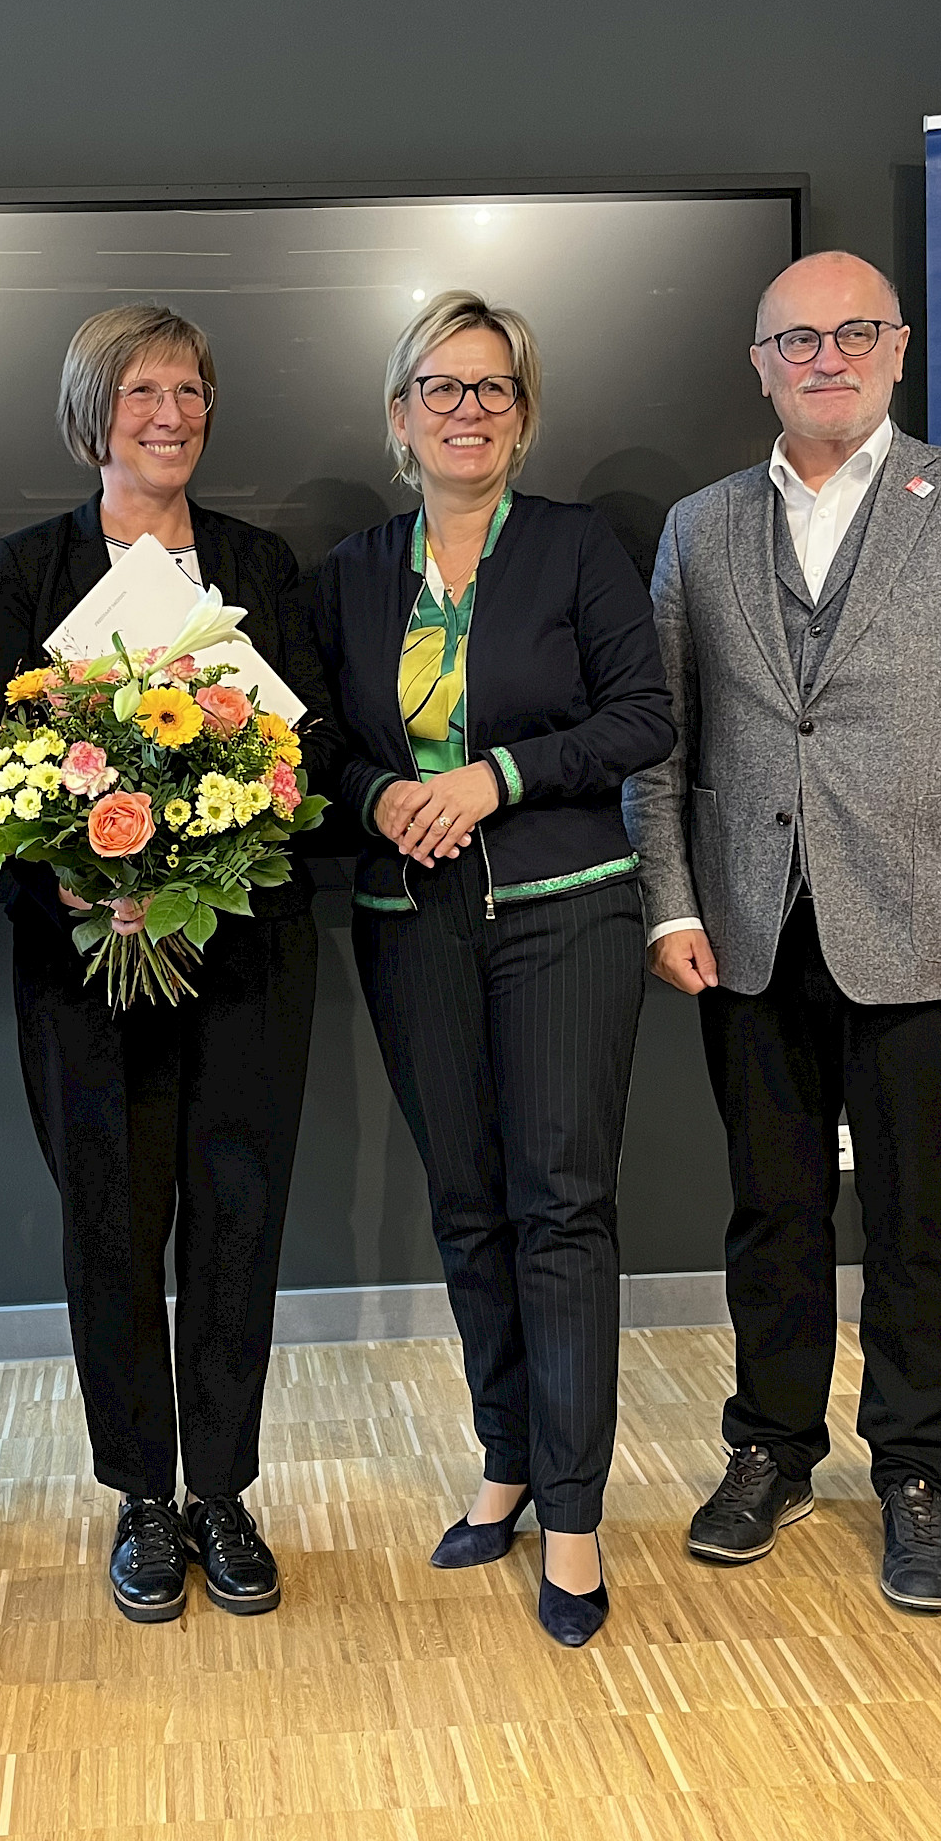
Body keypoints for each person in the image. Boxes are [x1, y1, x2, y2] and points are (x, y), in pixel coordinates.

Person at [624, 250, 941, 1612]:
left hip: (927, 933)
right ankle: (772, 1448)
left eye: (855, 333)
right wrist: (670, 898)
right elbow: (662, 742)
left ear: (899, 347)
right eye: (797, 340)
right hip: (748, 932)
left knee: (919, 1223)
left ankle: (917, 1476)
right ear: (759, 362)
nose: (828, 357)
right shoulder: (699, 526)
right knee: (771, 1213)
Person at [312, 290, 674, 1648]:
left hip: (565, 912)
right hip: (413, 921)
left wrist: (495, 774)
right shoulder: (349, 569)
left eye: (494, 389)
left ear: (524, 417)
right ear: (400, 414)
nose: (468, 410)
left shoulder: (581, 550)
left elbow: (644, 716)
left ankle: (573, 1518)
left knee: (561, 1211)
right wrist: (376, 799)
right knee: (468, 1206)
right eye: (441, 388)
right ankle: (506, 1461)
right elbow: (310, 747)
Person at [0, 304, 341, 1625]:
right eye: (142, 390)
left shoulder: (259, 560)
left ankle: (225, 1491)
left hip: (245, 960)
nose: (171, 412)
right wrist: (75, 868)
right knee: (114, 1228)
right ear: (95, 410)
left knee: (239, 1219)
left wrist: (232, 833)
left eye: (190, 388)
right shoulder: (31, 566)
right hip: (88, 965)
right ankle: (140, 1493)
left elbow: (308, 759)